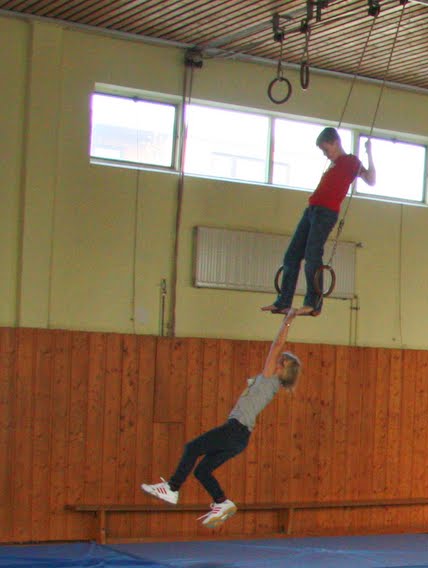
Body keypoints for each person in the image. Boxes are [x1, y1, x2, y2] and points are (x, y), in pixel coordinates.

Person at [140, 324, 302, 527]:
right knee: (202, 471)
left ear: (282, 369)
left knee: (192, 448)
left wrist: (289, 319)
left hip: (235, 430)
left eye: (280, 361)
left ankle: (172, 488)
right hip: (240, 438)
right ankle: (222, 501)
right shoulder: (271, 385)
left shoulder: (269, 379)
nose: (275, 361)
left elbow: (276, 345)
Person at [263, 128, 375, 316]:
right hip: (311, 210)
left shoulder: (351, 162)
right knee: (291, 255)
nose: (325, 154)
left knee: (312, 255)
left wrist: (369, 153)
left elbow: (371, 180)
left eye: (326, 149)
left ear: (336, 143)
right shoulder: (333, 165)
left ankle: (313, 303)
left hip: (326, 213)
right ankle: (283, 301)